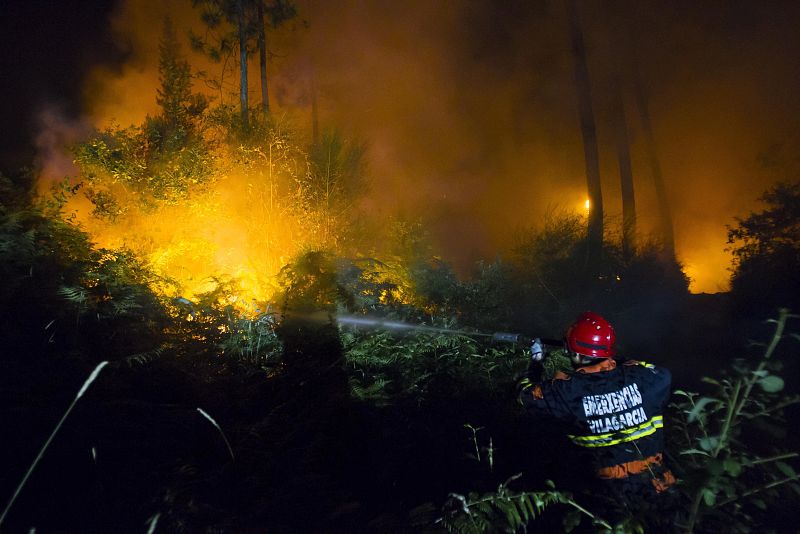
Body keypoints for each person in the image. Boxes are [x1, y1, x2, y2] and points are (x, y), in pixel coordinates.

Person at [517, 311, 675, 512]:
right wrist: (610, 358)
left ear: (575, 355)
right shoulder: (649, 379)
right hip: (659, 492)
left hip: (604, 501)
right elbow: (656, 371)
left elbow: (524, 394)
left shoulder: (566, 392)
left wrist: (536, 361)